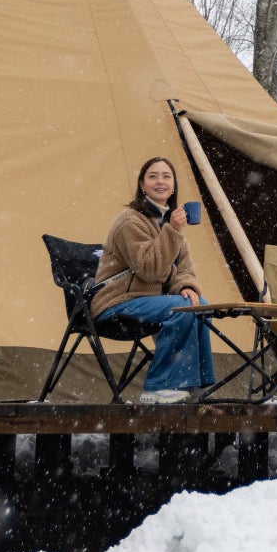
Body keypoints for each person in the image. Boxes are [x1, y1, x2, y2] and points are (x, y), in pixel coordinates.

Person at [92, 157, 211, 404]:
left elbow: (185, 268)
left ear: (174, 185)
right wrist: (173, 231)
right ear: (142, 185)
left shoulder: (168, 223)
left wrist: (186, 286)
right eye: (153, 176)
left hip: (150, 302)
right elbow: (148, 269)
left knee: (200, 304)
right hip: (118, 302)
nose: (160, 182)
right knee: (182, 307)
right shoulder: (130, 221)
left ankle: (194, 385)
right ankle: (159, 386)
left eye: (166, 176)